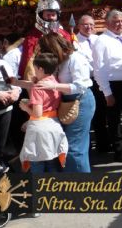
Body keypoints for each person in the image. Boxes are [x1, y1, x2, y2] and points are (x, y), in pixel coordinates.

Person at [33, 33, 95, 172]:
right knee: (64, 146)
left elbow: (81, 85)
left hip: (81, 100)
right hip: (66, 101)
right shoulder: (59, 61)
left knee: (74, 148)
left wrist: (53, 86)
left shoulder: (75, 59)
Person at [92, 10, 122, 162]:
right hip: (114, 85)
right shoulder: (102, 41)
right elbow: (99, 69)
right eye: (115, 21)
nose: (119, 24)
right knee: (115, 120)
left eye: (121, 21)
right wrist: (107, 92)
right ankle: (119, 150)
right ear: (107, 23)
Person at [19, 53, 67, 173]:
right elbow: (30, 84)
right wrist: (14, 82)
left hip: (39, 129)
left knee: (37, 162)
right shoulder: (54, 81)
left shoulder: (37, 88)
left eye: (35, 68)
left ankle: (39, 189)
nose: (34, 71)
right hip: (54, 124)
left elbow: (37, 113)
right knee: (52, 161)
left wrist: (25, 108)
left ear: (40, 68)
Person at [76, 14, 109, 154]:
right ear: (79, 26)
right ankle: (87, 147)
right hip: (87, 81)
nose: (89, 27)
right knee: (88, 115)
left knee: (102, 113)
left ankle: (104, 144)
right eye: (85, 24)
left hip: (101, 79)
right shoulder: (74, 41)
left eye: (91, 24)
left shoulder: (98, 39)